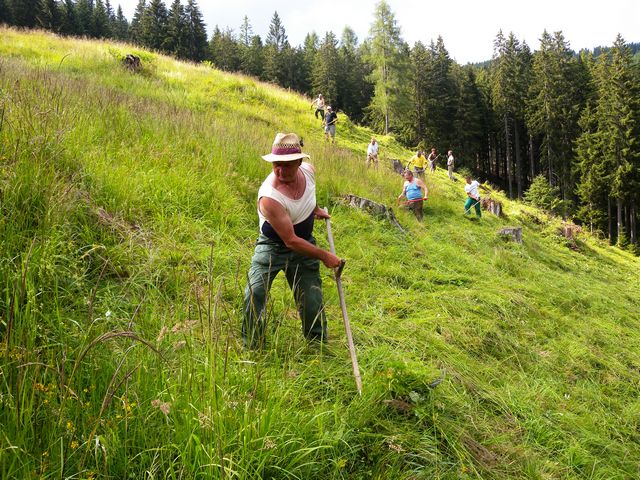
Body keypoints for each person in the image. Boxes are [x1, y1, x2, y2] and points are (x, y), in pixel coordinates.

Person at [243, 132, 342, 349]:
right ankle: (252, 344)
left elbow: (309, 194)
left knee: (311, 298)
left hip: (304, 240)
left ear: (299, 162)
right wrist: (325, 256)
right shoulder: (269, 196)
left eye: (287, 165)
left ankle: (318, 346)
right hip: (274, 246)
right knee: (255, 292)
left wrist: (313, 209)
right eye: (276, 164)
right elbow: (290, 241)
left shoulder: (309, 172)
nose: (281, 170)